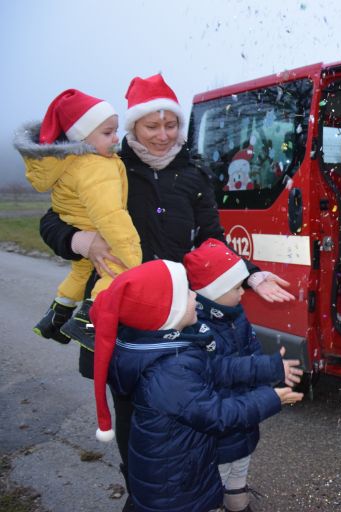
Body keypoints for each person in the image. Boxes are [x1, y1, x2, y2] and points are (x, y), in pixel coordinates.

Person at [38, 73, 295, 511]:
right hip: (124, 322)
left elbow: (212, 240)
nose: (162, 135)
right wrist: (83, 241)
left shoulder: (193, 175)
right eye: (151, 126)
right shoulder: (107, 166)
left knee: (189, 418)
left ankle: (194, 495)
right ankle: (144, 496)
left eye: (170, 125)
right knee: (137, 425)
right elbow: (53, 221)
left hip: (182, 319)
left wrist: (250, 274)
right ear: (133, 128)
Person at [91, 259, 303, 512]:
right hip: (174, 487)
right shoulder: (168, 371)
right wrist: (271, 399)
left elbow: (216, 368)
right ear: (170, 313)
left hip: (181, 467)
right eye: (187, 293)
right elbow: (217, 415)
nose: (196, 295)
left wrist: (270, 367)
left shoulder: (171, 349)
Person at [14, 89, 141, 346]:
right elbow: (110, 215)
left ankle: (54, 319)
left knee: (81, 272)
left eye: (116, 131)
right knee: (116, 268)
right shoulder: (96, 166)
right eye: (107, 133)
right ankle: (88, 323)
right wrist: (131, 257)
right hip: (99, 230)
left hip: (80, 224)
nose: (116, 138)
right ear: (82, 136)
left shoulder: (70, 161)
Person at [183, 239, 302, 512]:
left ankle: (238, 502)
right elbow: (217, 369)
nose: (243, 292)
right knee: (218, 475)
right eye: (236, 287)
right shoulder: (197, 327)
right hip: (222, 420)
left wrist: (269, 378)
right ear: (213, 292)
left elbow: (251, 349)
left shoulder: (234, 313)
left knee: (240, 467)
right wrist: (267, 368)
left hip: (242, 414)